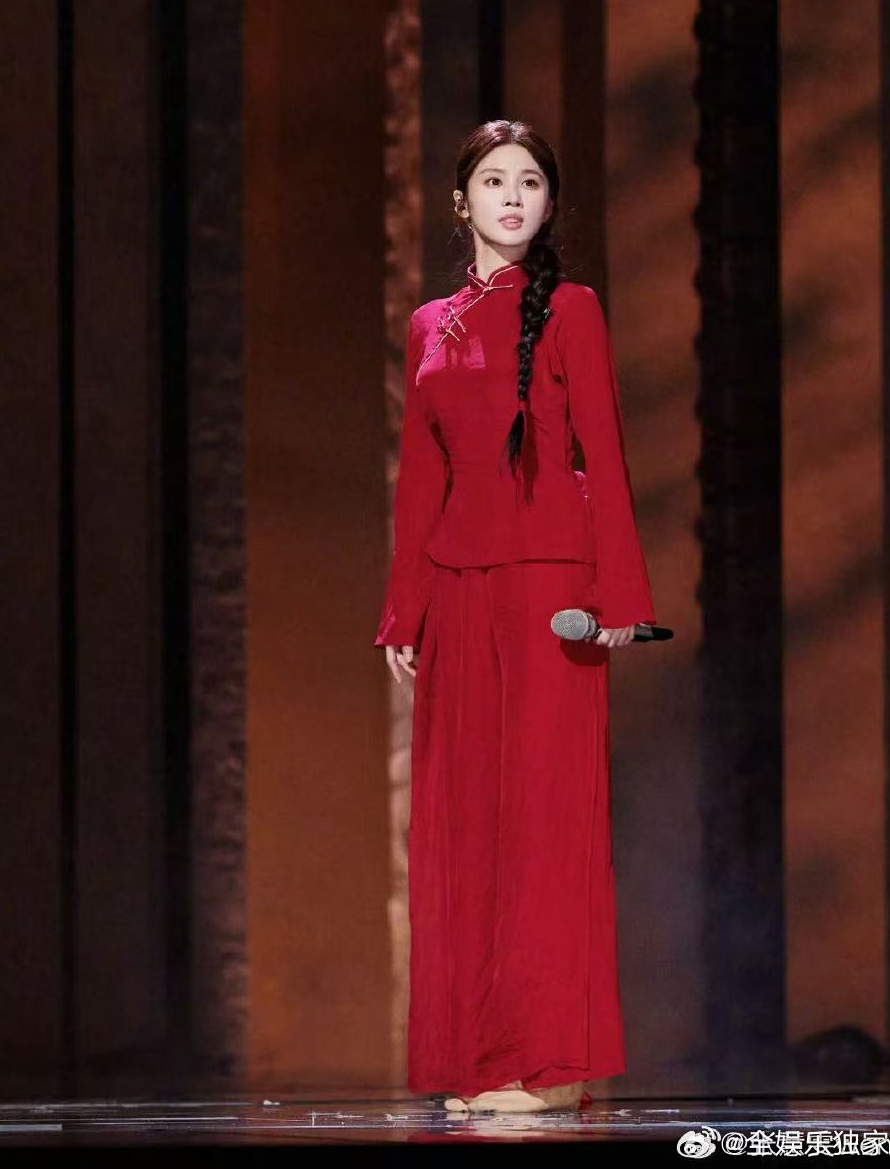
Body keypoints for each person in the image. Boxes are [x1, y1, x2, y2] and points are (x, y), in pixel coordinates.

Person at [374, 118, 659, 1114]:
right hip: (460, 588)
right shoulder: (429, 324)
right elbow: (420, 480)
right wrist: (403, 609)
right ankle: (481, 1059)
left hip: (552, 591)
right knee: (462, 825)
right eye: (493, 181)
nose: (511, 197)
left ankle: (546, 1062)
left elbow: (605, 456)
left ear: (548, 203)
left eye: (529, 181)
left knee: (544, 820)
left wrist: (621, 597)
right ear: (461, 201)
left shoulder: (573, 308)